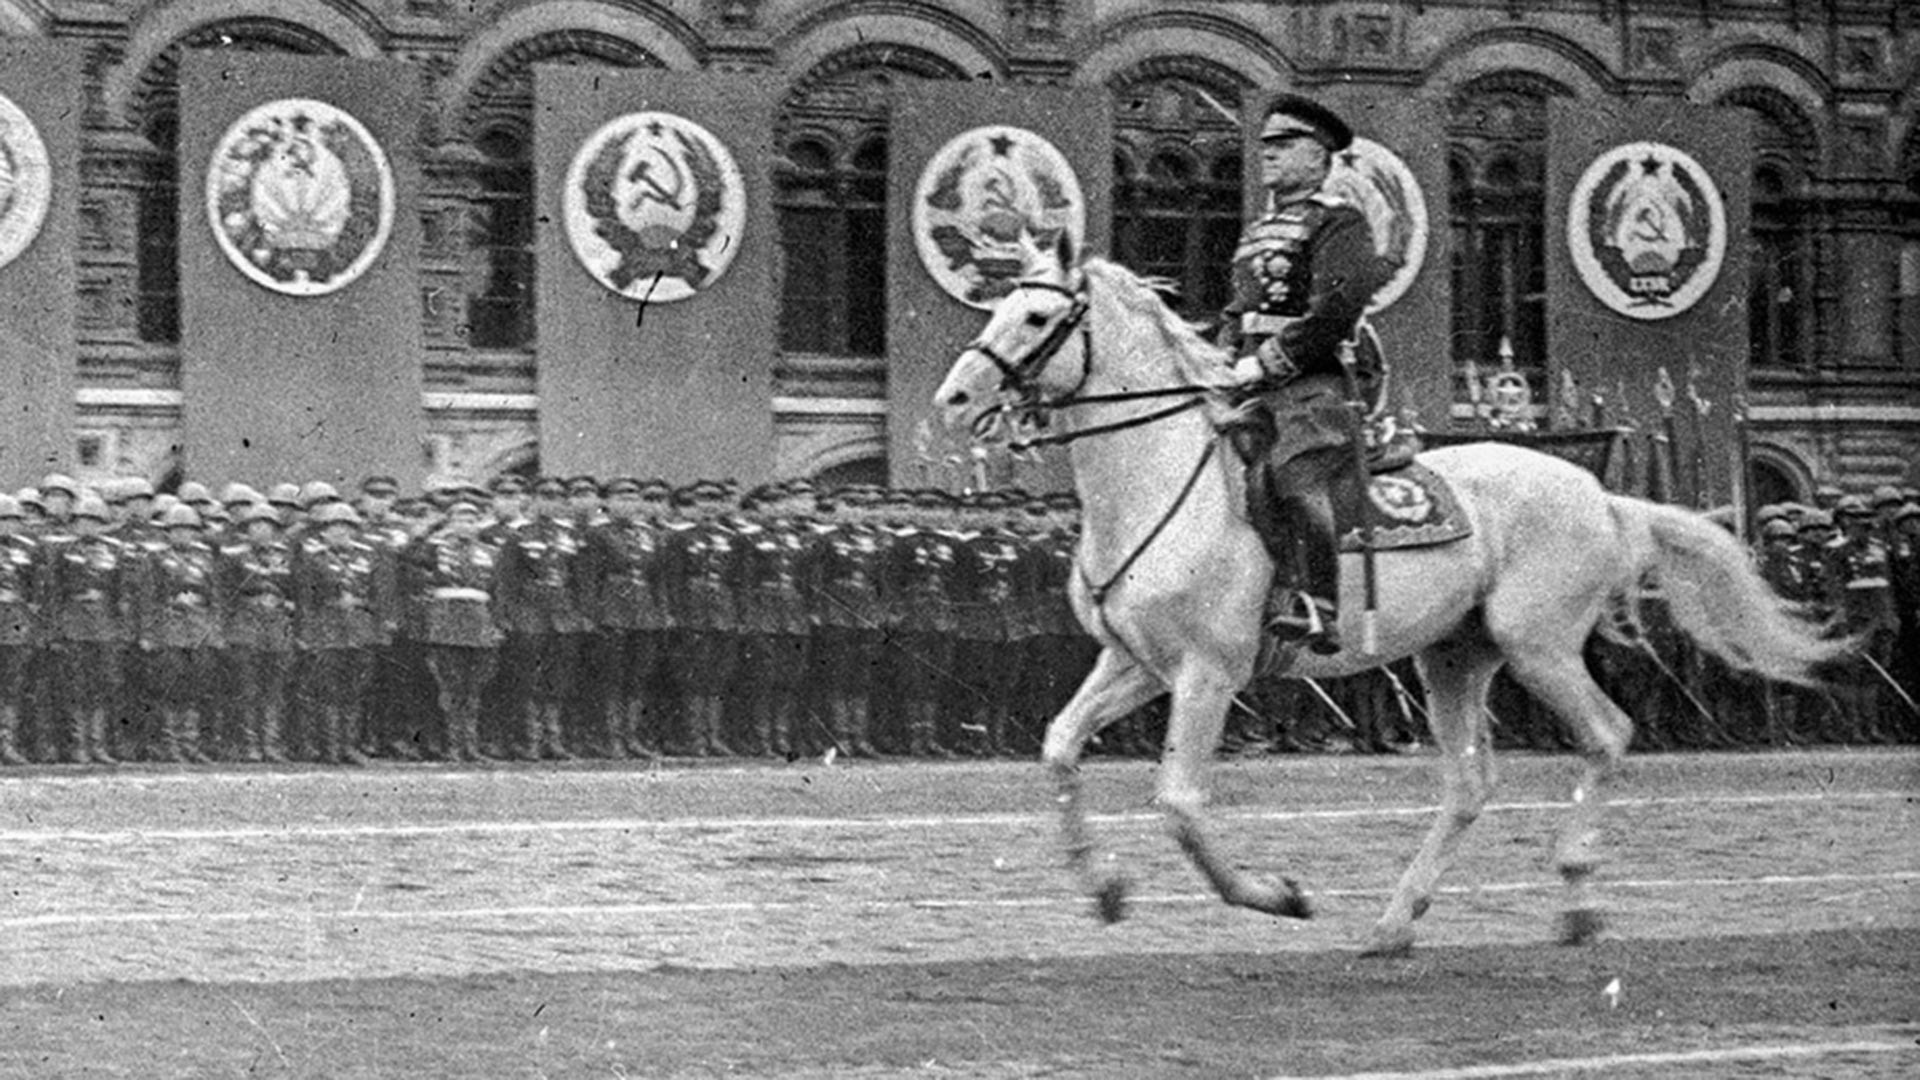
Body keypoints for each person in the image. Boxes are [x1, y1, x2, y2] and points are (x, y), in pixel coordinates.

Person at [1218, 94, 1396, 655]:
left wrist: (1266, 361)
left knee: (1293, 471)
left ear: (1319, 157)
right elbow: (1237, 309)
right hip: (1250, 381)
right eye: (1265, 144)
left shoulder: (1338, 222)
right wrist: (1220, 358)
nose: (1268, 154)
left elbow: (1337, 310)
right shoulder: (1257, 230)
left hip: (1316, 380)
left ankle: (1317, 602)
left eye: (1284, 145)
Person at [220, 502, 298, 762]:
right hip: (245, 628)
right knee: (247, 689)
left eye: (268, 526)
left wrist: (285, 604)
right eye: (256, 525)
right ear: (247, 529)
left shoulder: (284, 556)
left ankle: (271, 743)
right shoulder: (234, 556)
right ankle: (249, 744)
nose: (262, 531)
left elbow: (295, 590)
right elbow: (222, 595)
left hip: (277, 628)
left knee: (274, 690)